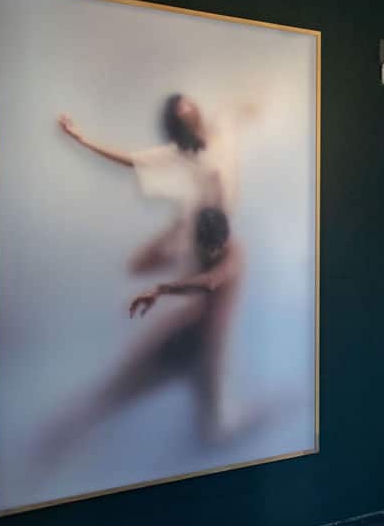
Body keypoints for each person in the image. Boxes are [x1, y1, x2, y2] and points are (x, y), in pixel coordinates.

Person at [43, 207, 242, 454]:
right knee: (115, 393)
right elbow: (139, 265)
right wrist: (169, 233)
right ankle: (55, 439)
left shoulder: (232, 252)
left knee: (212, 430)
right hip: (186, 338)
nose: (211, 252)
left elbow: (211, 282)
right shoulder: (194, 247)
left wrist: (161, 289)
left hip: (204, 348)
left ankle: (58, 438)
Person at [58, 93, 239, 271]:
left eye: (188, 103)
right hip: (202, 225)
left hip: (220, 224)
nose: (188, 108)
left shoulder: (219, 130)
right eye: (181, 108)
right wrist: (83, 140)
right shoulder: (179, 152)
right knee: (145, 263)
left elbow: (241, 112)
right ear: (176, 121)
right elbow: (131, 160)